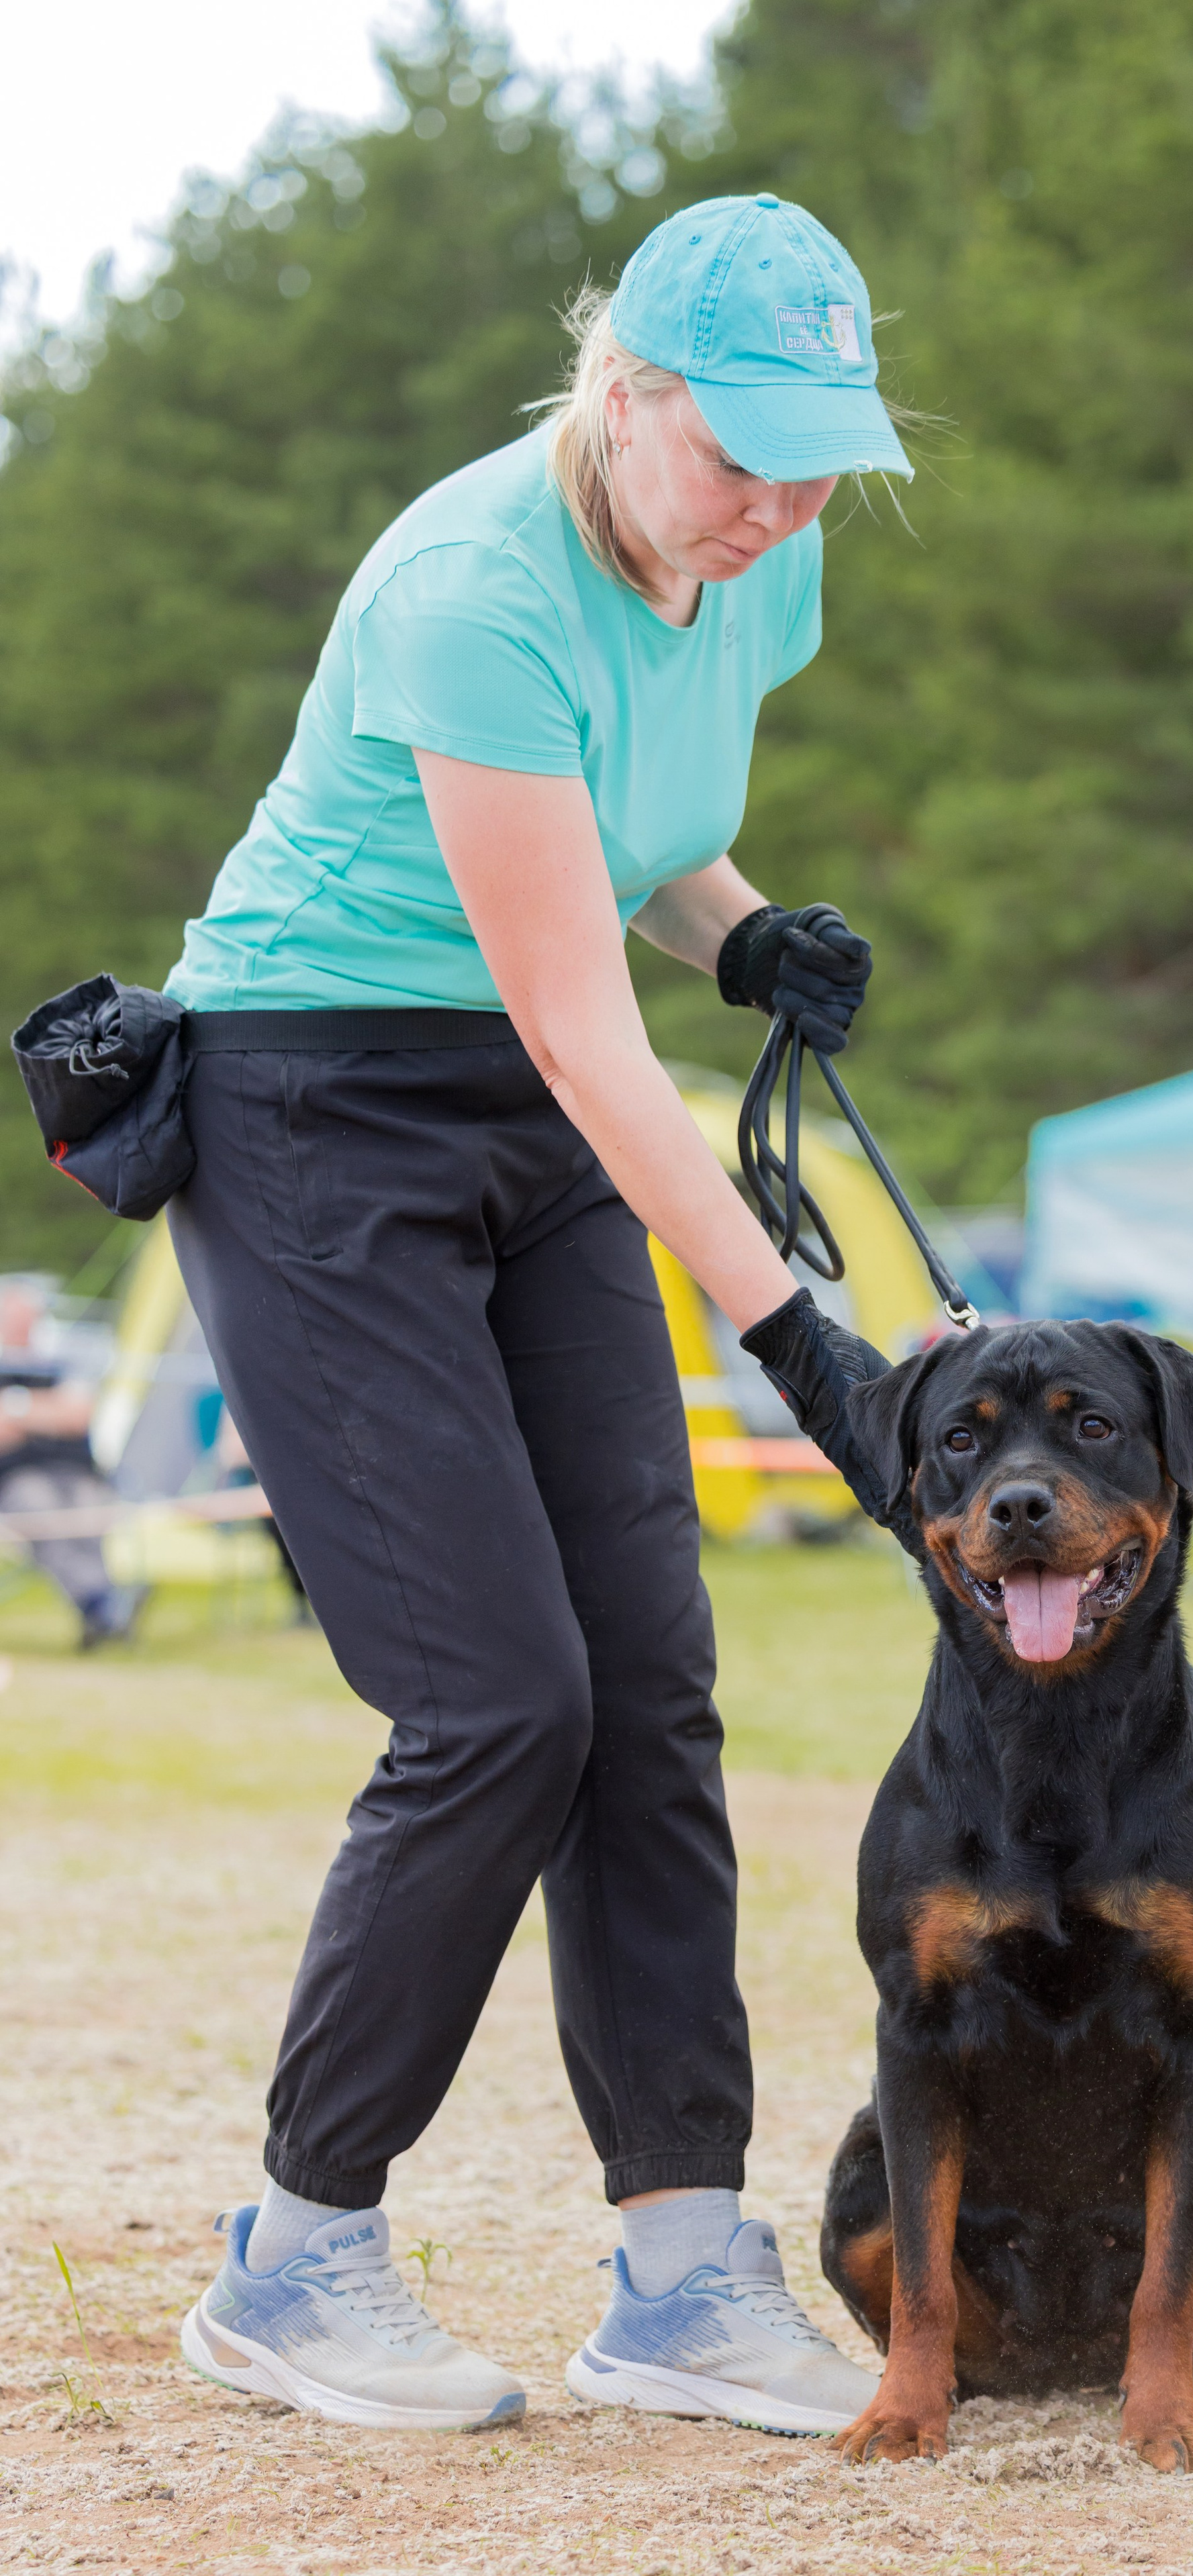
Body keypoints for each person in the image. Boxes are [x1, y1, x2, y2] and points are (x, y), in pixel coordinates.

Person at [166, 195, 912, 2436]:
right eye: (743, 451)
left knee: (650, 1686)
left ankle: (685, 2271)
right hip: (317, 1100)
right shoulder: (472, 586)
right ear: (627, 392)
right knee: (500, 1697)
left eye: (820, 456)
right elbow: (592, 1040)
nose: (778, 503)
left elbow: (627, 842)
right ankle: (297, 2258)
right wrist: (811, 1343)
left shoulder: (766, 547)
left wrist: (745, 927)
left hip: (523, 1081)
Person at [0, 1277, 145, 1648]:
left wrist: (19, 1410)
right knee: (40, 1508)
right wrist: (45, 1411)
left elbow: (78, 1415)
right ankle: (104, 1603)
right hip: (16, 1481)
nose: (23, 1326)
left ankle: (100, 1607)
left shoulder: (57, 1361)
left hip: (78, 1473)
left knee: (88, 1507)